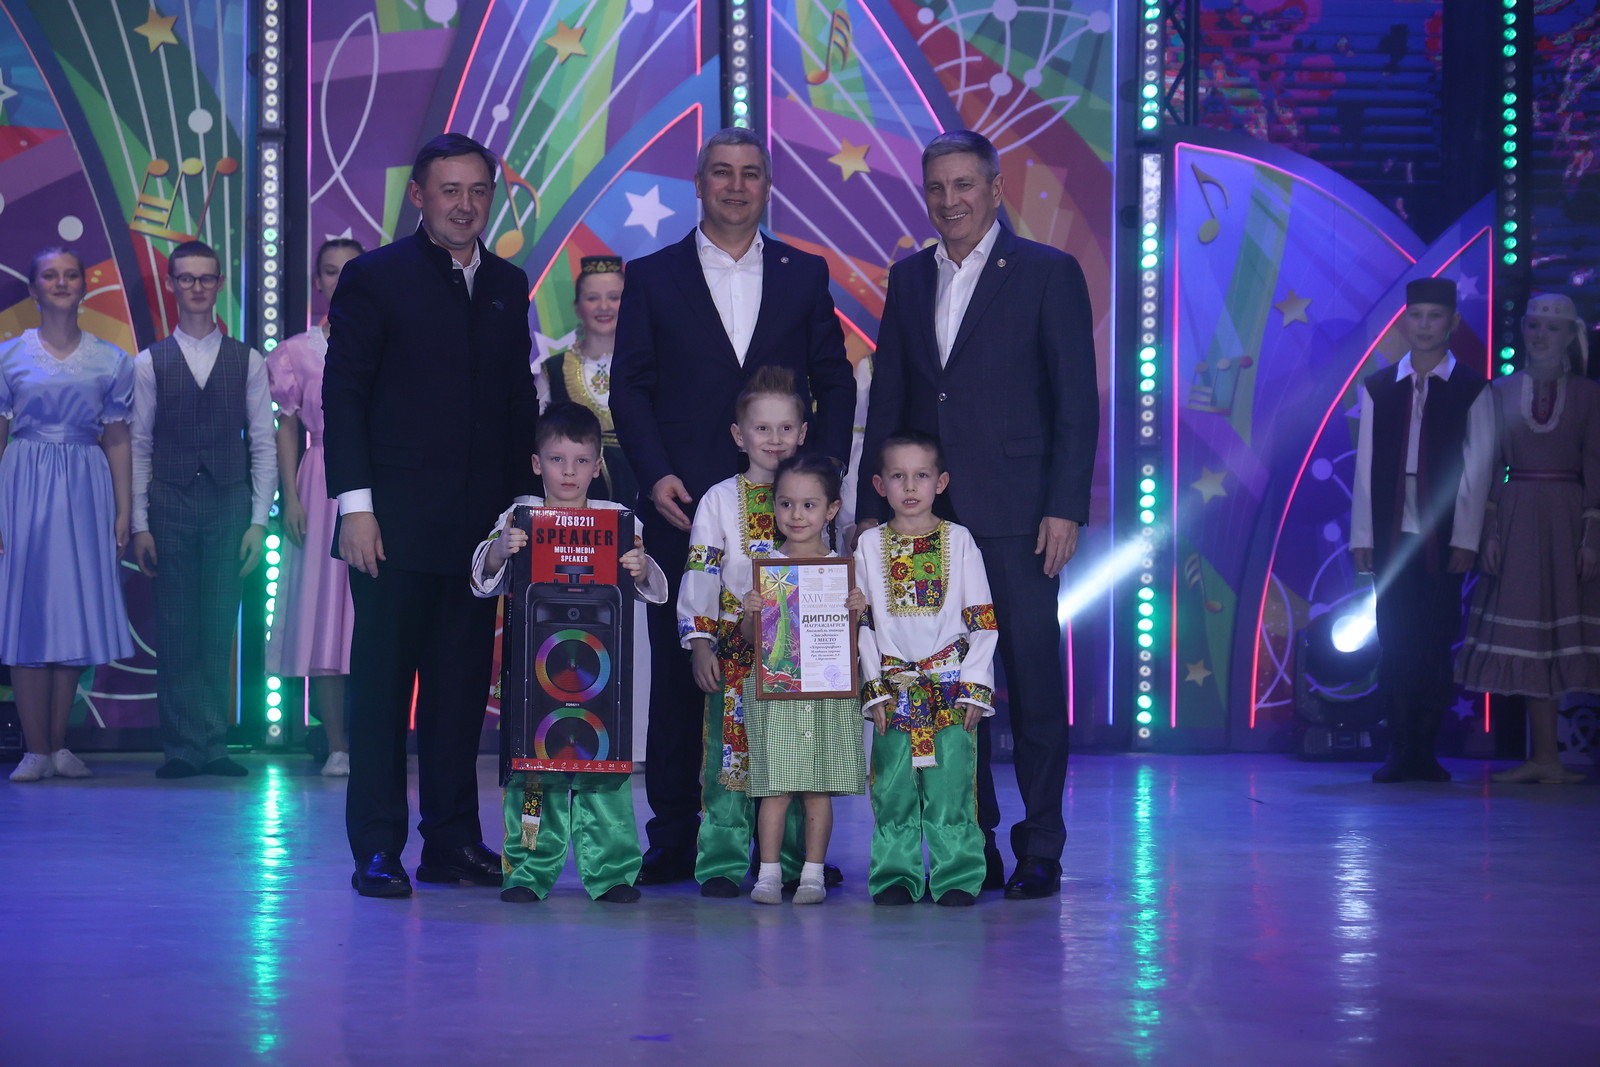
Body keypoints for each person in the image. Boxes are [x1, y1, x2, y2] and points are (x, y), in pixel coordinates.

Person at [856, 130, 1098, 900]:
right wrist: (871, 511)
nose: (950, 200)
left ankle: (1042, 843)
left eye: (965, 185)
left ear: (995, 190)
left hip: (1020, 515)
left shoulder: (1047, 272)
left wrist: (1065, 505)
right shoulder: (907, 277)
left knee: (1030, 678)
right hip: (926, 521)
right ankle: (973, 840)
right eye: (937, 187)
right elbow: (891, 397)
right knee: (947, 684)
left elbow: (1076, 402)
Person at [611, 126, 855, 884]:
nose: (737, 186)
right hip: (684, 507)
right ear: (699, 183)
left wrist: (824, 478)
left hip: (793, 521)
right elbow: (630, 388)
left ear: (768, 187)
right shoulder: (652, 275)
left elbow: (835, 380)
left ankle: (787, 845)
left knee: (791, 679)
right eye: (722, 172)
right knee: (688, 671)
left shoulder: (804, 272)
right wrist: (655, 475)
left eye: (751, 173)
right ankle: (676, 835)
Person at [323, 132, 540, 898]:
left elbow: (517, 401)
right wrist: (356, 507)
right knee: (383, 694)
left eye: (478, 190)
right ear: (418, 195)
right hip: (391, 527)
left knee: (458, 694)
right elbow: (344, 395)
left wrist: (525, 509)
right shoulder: (374, 278)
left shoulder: (509, 283)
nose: (464, 204)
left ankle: (451, 841)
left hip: (481, 534)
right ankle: (377, 847)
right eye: (450, 190)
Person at [469, 403, 667, 902]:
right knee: (535, 774)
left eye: (581, 461)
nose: (569, 472)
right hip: (537, 670)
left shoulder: (618, 519)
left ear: (597, 465)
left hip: (601, 670)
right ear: (537, 463)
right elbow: (482, 578)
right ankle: (527, 869)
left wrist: (641, 567)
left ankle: (613, 872)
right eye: (557, 460)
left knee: (604, 769)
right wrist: (500, 549)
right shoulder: (519, 516)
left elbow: (652, 588)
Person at [129, 240, 276, 779]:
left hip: (229, 503)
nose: (196, 287)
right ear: (171, 285)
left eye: (206, 278)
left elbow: (263, 444)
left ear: (218, 284)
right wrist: (140, 524)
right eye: (186, 278)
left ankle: (213, 744)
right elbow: (139, 446)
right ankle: (181, 747)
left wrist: (258, 521)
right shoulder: (149, 362)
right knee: (174, 627)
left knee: (217, 625)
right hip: (168, 501)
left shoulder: (248, 360)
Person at [1350, 277, 1494, 783]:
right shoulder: (1379, 387)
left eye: (1436, 316)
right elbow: (1365, 467)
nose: (1425, 326)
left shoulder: (1472, 388)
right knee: (1394, 640)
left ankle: (1425, 751)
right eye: (1417, 315)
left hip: (1443, 532)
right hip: (1391, 533)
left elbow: (1478, 469)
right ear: (1404, 321)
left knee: (1434, 641)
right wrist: (1363, 536)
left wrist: (1466, 538)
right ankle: (1401, 749)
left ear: (1453, 323)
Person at [676, 367, 812, 896]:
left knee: (794, 758)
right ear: (739, 435)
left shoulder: (817, 494)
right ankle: (722, 862)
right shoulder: (718, 499)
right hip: (735, 650)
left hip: (798, 656)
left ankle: (795, 862)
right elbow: (701, 573)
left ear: (802, 432)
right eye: (762, 428)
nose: (774, 439)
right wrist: (700, 644)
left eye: (785, 428)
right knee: (728, 760)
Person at [0, 249, 134, 782]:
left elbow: (118, 439)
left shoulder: (112, 359)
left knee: (74, 610)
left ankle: (58, 747)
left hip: (84, 483)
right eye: (50, 276)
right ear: (33, 288)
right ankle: (34, 750)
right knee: (29, 611)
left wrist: (124, 509)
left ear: (84, 286)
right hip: (25, 483)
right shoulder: (8, 355)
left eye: (71, 275)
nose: (61, 283)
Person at [1456, 293, 1600, 783]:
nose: (1541, 335)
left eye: (1552, 328)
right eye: (1534, 325)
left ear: (1570, 336)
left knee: (1559, 634)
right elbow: (1491, 465)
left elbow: (1596, 466)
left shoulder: (1588, 395)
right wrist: (1490, 532)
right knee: (1528, 634)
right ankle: (1542, 758)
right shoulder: (1500, 391)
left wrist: (1592, 537)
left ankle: (1549, 759)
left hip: (1567, 519)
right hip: (1517, 518)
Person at [854, 431, 997, 906]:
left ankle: (956, 875)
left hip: (950, 687)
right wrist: (873, 687)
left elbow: (982, 619)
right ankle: (896, 875)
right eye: (898, 476)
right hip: (895, 689)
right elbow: (863, 623)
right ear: (880, 485)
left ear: (941, 482)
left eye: (921, 475)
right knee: (893, 786)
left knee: (951, 786)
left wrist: (975, 686)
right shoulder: (868, 545)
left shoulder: (959, 540)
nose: (910, 486)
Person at [742, 454, 866, 905]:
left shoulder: (842, 569)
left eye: (810, 505)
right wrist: (750, 613)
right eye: (786, 504)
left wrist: (856, 611)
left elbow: (850, 640)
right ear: (774, 506)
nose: (797, 515)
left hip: (826, 692)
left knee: (817, 787)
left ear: (831, 509)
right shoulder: (767, 567)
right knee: (774, 787)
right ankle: (769, 874)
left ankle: (813, 874)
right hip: (778, 692)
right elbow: (751, 638)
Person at [266, 237, 363, 777]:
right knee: (327, 613)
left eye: (351, 269)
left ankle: (375, 743)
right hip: (321, 480)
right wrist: (290, 497)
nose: (341, 279)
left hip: (378, 481)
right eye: (330, 270)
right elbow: (286, 427)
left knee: (370, 618)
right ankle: (338, 744)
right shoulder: (297, 352)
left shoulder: (390, 340)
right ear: (318, 282)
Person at [536, 256, 635, 507]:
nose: (604, 306)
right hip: (572, 506)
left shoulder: (647, 366)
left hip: (641, 498)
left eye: (614, 297)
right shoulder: (554, 370)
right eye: (593, 298)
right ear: (577, 307)